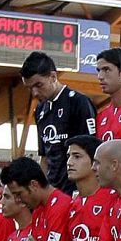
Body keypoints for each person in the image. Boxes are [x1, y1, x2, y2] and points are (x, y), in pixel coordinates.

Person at [21, 52, 97, 194]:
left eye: (38, 85)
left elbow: (92, 152)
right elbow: (44, 156)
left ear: (53, 77)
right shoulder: (40, 110)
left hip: (75, 191)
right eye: (30, 88)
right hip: (53, 192)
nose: (35, 93)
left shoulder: (78, 102)